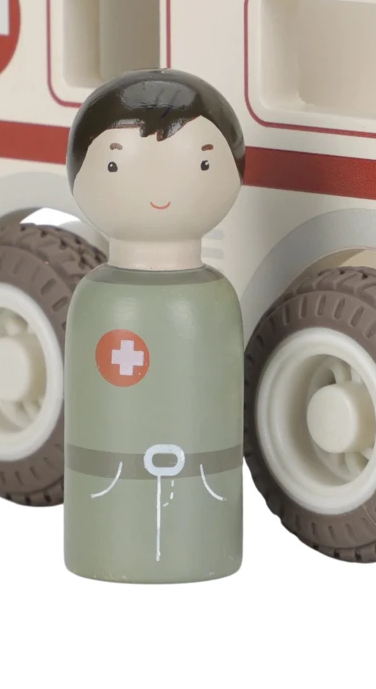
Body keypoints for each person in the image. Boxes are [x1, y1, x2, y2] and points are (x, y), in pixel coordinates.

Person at [63, 68, 246, 582]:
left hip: (200, 481)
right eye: (115, 165)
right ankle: (116, 546)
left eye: (202, 162)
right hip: (113, 480)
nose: (160, 190)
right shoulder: (103, 300)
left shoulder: (210, 299)